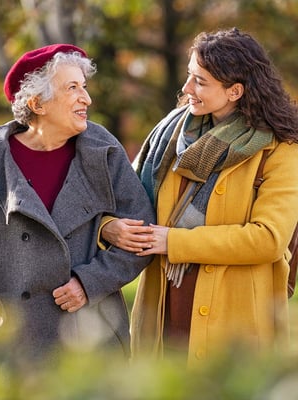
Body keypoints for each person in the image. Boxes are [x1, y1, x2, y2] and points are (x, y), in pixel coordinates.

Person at [0, 44, 155, 369]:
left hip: (90, 335)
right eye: (72, 88)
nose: (86, 99)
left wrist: (90, 281)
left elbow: (143, 235)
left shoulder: (103, 150)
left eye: (84, 86)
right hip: (12, 338)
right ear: (37, 103)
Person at [100, 28, 298, 365]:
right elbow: (125, 201)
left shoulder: (280, 150)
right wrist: (108, 227)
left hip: (235, 321)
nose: (187, 89)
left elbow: (268, 239)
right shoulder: (170, 136)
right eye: (189, 76)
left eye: (201, 81)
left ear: (235, 91)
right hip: (163, 308)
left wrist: (174, 242)